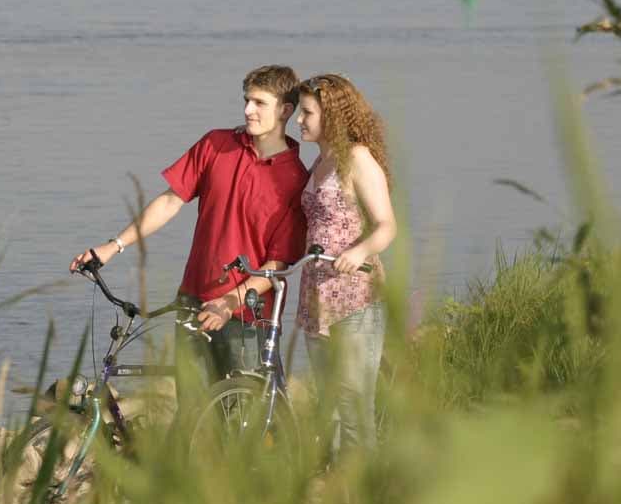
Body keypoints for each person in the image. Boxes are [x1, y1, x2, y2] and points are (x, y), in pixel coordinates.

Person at [69, 65, 308, 401]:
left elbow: (277, 265)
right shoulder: (216, 145)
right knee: (193, 417)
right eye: (246, 100)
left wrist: (228, 302)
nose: (247, 110)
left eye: (259, 103)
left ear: (285, 110)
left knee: (245, 417)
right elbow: (169, 202)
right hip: (192, 302)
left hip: (246, 316)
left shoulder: (296, 180)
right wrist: (113, 246)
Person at [295, 74, 397, 455]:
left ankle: (365, 498)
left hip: (356, 295)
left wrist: (357, 253)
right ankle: (340, 491)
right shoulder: (321, 160)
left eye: (307, 113)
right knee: (330, 406)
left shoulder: (357, 158)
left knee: (355, 406)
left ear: (332, 115)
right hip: (316, 294)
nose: (300, 121)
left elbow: (387, 226)